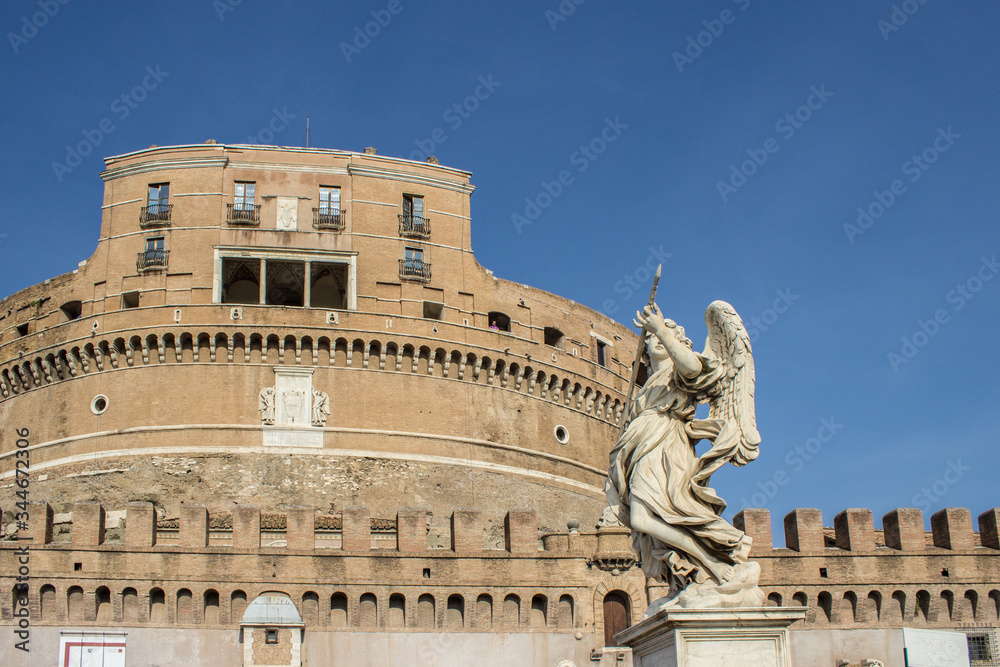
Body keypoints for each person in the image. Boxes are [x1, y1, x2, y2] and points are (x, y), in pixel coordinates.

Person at [606, 303, 754, 602]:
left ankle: (713, 563)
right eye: (651, 340)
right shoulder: (645, 386)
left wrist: (660, 327)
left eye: (665, 336)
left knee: (645, 517)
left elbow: (693, 368)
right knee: (645, 519)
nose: (657, 340)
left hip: (665, 446)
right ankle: (684, 580)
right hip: (639, 448)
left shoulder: (679, 371)